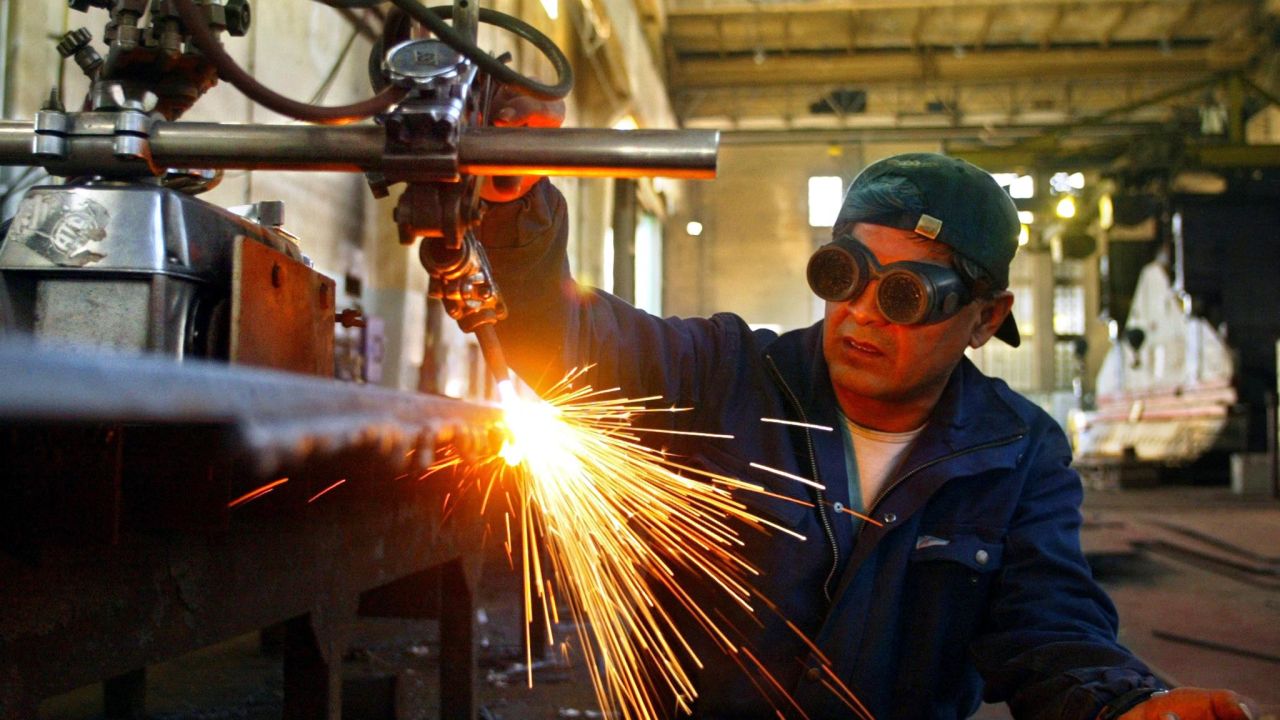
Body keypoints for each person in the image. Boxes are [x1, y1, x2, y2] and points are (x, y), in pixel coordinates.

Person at [475, 96, 1257, 720]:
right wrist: (515, 211)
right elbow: (563, 341)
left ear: (985, 319)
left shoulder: (1018, 452)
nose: (863, 313)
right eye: (848, 273)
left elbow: (1048, 627)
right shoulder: (723, 372)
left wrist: (1129, 705)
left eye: (910, 294)